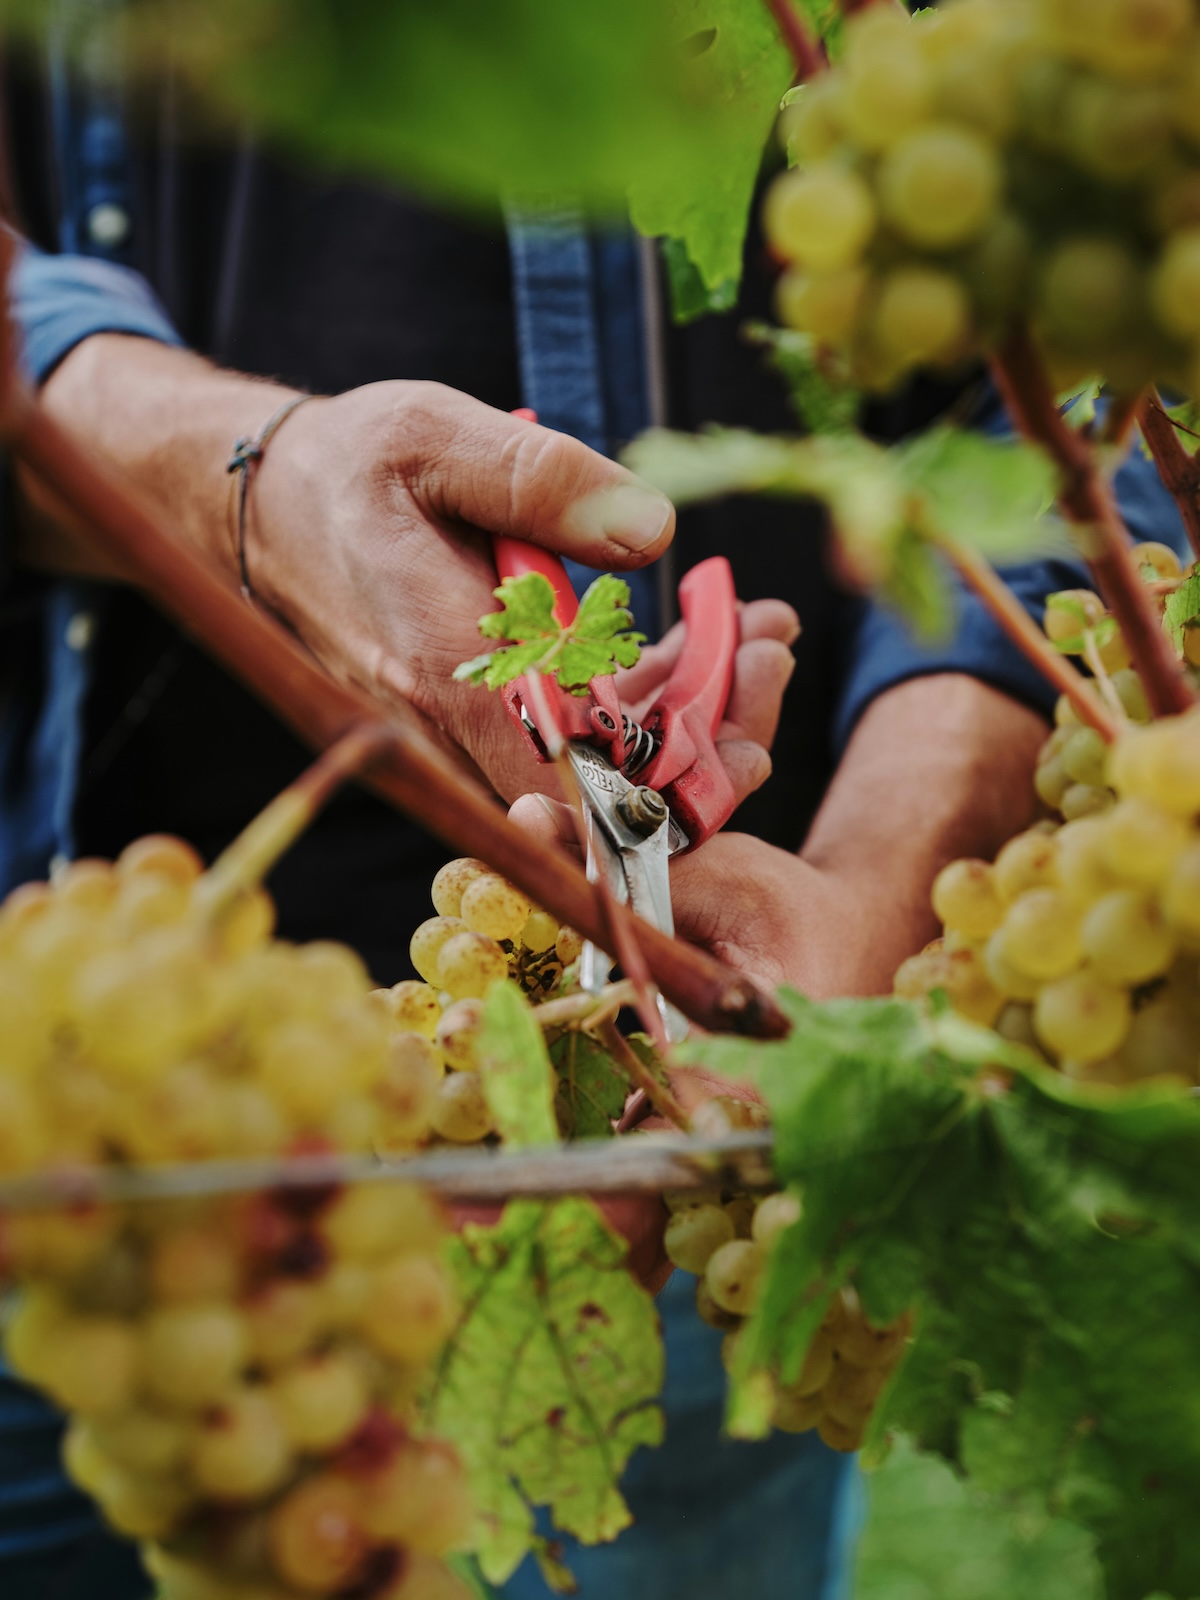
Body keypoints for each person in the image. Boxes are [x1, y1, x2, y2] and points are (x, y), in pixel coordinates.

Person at [5, 17, 1187, 1600]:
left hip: (711, 1117)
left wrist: (887, 874)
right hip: (92, 1143)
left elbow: (1077, 383)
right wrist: (250, 480)